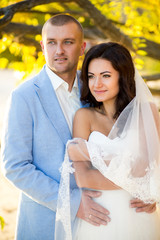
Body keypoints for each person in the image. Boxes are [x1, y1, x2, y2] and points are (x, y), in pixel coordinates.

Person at [1, 14, 156, 239]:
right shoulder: (23, 96)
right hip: (47, 221)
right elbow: (15, 167)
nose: (59, 50)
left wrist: (148, 191)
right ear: (42, 47)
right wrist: (72, 203)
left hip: (110, 219)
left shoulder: (96, 87)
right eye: (52, 42)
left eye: (68, 42)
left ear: (82, 47)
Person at [56, 42, 160, 239]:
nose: (96, 84)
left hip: (138, 215)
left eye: (106, 76)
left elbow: (144, 168)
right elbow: (83, 177)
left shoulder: (146, 111)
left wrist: (88, 152)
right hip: (99, 216)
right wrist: (135, 176)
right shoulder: (84, 116)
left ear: (123, 76)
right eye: (91, 76)